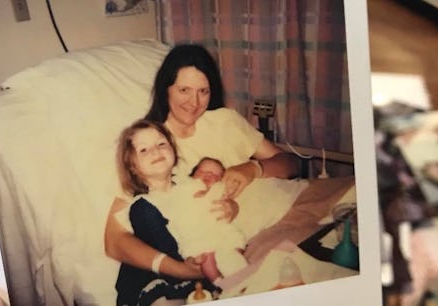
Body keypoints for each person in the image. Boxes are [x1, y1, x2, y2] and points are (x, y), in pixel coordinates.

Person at [105, 43, 302, 305]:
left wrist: (254, 168)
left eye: (203, 91)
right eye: (184, 90)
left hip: (282, 215)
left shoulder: (225, 121)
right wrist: (181, 270)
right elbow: (114, 240)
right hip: (221, 249)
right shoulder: (154, 147)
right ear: (166, 90)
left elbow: (291, 165)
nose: (194, 102)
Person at [114, 120, 248, 305]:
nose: (155, 151)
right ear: (133, 167)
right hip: (156, 274)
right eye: (143, 150)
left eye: (161, 144)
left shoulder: (189, 184)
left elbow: (214, 198)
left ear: (174, 152)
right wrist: (195, 260)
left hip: (200, 259)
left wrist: (232, 206)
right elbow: (166, 247)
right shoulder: (143, 207)